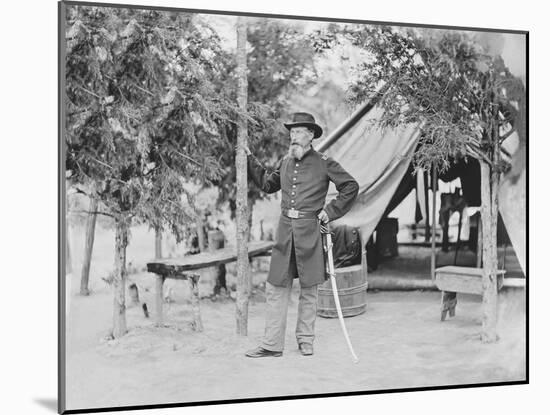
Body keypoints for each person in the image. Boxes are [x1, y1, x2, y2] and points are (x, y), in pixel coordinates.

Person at [243, 112, 359, 357]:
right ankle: (271, 345)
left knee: (309, 288)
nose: (293, 137)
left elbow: (350, 187)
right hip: (285, 234)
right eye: (291, 133)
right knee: (276, 286)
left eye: (298, 132)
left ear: (311, 135)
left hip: (310, 233)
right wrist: (248, 158)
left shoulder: (325, 162)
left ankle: (306, 340)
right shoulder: (286, 162)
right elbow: (267, 183)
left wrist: (330, 211)